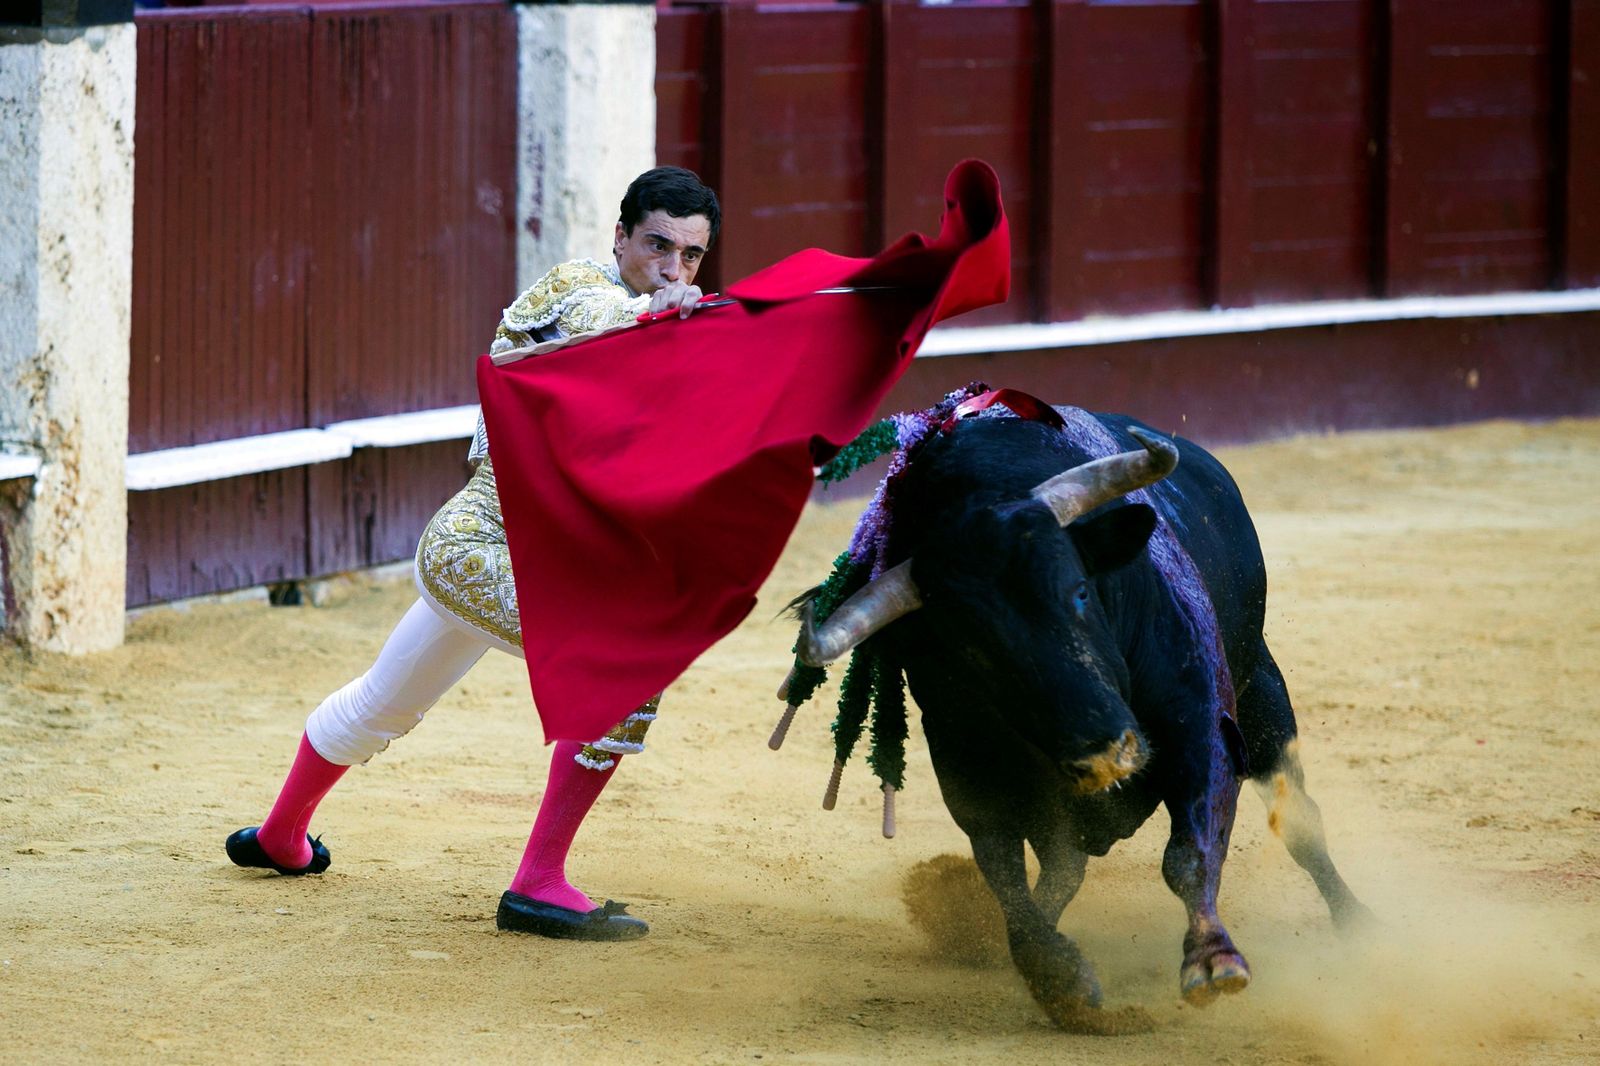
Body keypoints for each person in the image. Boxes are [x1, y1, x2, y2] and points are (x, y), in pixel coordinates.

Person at [225, 166, 721, 942]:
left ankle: (279, 838)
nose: (672, 268)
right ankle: (539, 883)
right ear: (619, 236)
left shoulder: (670, 327)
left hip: (532, 560)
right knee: (630, 665)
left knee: (381, 705)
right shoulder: (579, 289)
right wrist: (652, 317)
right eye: (657, 245)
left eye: (691, 257)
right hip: (481, 546)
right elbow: (603, 320)